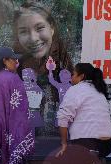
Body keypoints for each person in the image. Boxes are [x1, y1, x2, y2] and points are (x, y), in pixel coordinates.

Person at [13, 2, 73, 134]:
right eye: (23, 31)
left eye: (39, 28)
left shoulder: (64, 64)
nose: (33, 38)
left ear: (52, 29)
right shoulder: (17, 64)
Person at [56, 63, 111, 164]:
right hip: (108, 145)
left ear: (81, 76)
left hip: (87, 145)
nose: (71, 78)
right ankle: (96, 160)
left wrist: (64, 144)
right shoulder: (99, 90)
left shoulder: (75, 90)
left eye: (73, 74)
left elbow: (62, 118)